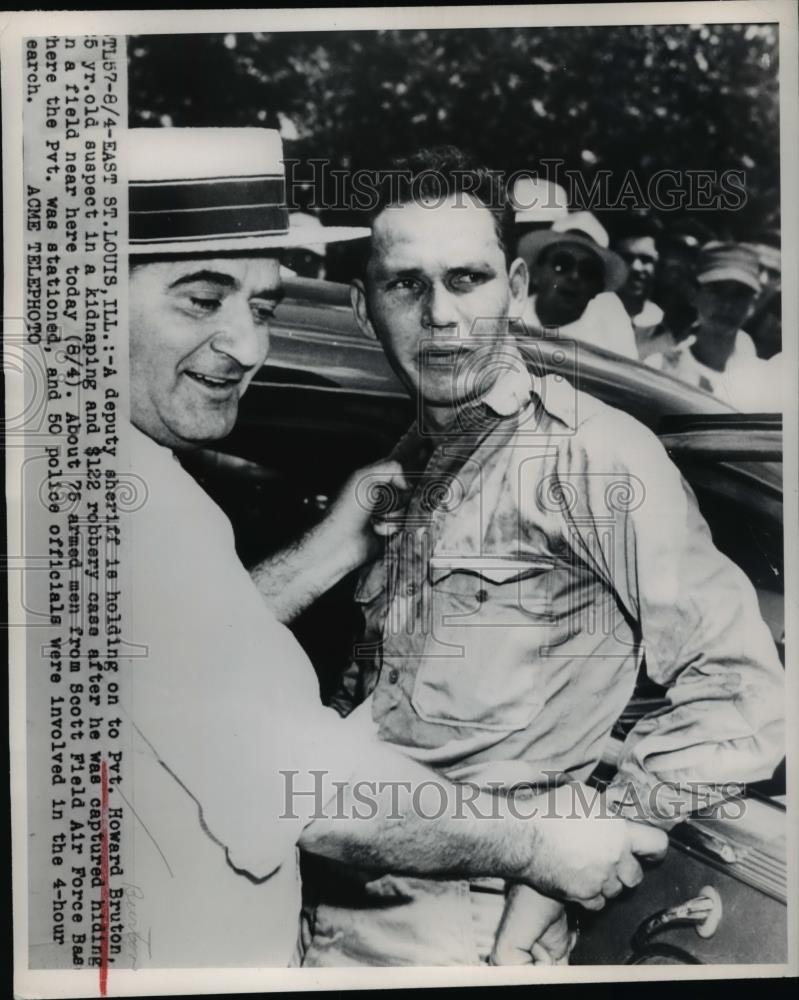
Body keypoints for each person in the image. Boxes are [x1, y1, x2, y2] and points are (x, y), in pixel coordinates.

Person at [122, 127, 667, 969]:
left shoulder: (131, 479)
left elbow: (172, 663)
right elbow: (299, 780)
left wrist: (325, 552)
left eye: (262, 307)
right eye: (201, 298)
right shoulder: (118, 502)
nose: (250, 346)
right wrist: (541, 848)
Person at [299, 147, 784, 967]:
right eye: (405, 285)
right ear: (361, 306)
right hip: (332, 897)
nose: (441, 316)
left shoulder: (590, 457)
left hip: (457, 931)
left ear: (515, 293)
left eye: (467, 280)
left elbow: (745, 697)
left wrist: (559, 870)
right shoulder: (416, 456)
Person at [647, 243, 776, 411]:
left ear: (752, 304)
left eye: (740, 294)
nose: (727, 305)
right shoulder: (659, 367)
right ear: (693, 294)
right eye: (717, 290)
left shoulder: (764, 381)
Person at [516, 211, 637, 359]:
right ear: (535, 273)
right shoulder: (508, 316)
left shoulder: (607, 342)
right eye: (562, 265)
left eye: (587, 271)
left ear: (597, 289)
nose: (574, 276)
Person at [611, 216, 670, 360]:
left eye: (646, 260)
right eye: (627, 258)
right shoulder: (595, 310)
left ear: (658, 267)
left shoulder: (661, 323)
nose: (636, 267)